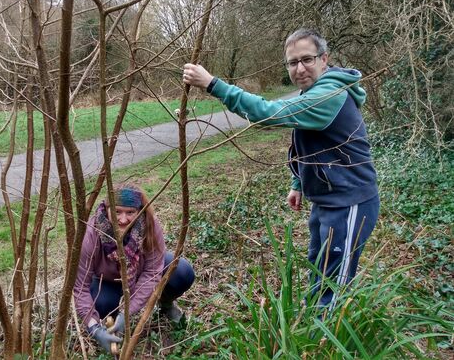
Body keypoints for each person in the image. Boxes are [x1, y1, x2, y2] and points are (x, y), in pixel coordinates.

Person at [182, 28, 379, 310]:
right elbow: (308, 142)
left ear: (325, 59)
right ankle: (313, 323)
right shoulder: (314, 92)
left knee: (334, 282)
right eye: (292, 62)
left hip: (350, 202)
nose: (300, 68)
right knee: (319, 265)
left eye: (307, 59)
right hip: (328, 199)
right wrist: (298, 183)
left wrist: (213, 84)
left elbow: (268, 114)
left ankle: (326, 342)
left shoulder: (328, 95)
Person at [74, 184, 195, 353]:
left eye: (130, 212)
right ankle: (111, 325)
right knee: (100, 303)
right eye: (117, 212)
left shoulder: (150, 226)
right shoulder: (91, 234)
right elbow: (80, 287)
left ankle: (166, 304)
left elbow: (152, 273)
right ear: (106, 209)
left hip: (142, 272)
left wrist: (127, 312)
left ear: (139, 211)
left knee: (182, 272)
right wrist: (93, 328)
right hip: (109, 281)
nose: (123, 220)